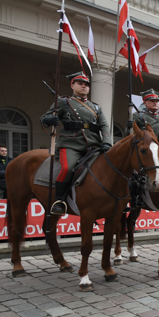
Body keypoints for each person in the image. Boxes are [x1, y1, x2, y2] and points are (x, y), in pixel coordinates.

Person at [40, 72, 111, 214]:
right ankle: (59, 200)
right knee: (68, 168)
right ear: (72, 85)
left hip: (93, 145)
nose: (84, 86)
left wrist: (107, 142)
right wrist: (49, 120)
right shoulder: (63, 102)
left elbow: (104, 126)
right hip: (71, 143)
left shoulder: (96, 107)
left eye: (86, 85)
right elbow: (44, 118)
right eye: (80, 83)